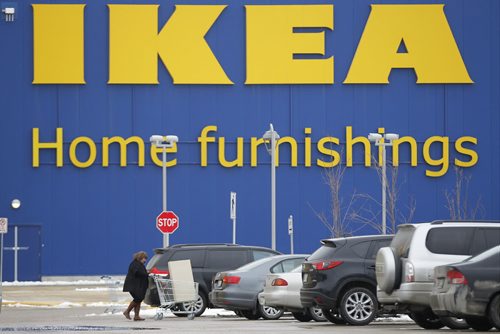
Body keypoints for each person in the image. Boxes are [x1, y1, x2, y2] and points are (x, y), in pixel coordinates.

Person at [123, 251, 149, 321]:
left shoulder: (139, 264)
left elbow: (141, 272)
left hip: (137, 285)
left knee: (139, 299)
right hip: (133, 285)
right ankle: (127, 311)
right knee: (138, 298)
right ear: (140, 258)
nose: (145, 260)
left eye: (145, 258)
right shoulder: (135, 264)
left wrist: (146, 273)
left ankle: (136, 316)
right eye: (144, 258)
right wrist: (146, 273)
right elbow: (137, 272)